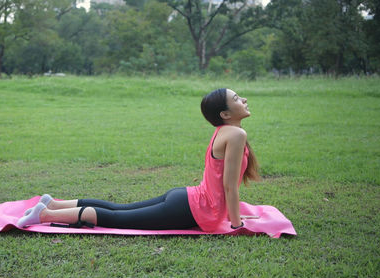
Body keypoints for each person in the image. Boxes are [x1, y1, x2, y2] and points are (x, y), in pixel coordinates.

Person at [18, 88, 260, 231]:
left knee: (119, 210)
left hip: (187, 198)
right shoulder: (236, 133)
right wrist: (237, 225)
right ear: (225, 114)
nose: (244, 100)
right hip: (193, 207)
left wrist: (233, 214)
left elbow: (223, 184)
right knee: (116, 218)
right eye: (238, 98)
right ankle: (46, 214)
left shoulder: (224, 131)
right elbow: (228, 186)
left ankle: (53, 203)